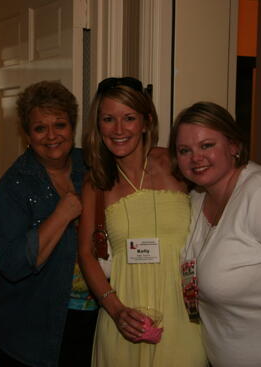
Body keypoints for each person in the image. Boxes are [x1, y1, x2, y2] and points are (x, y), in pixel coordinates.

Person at [78, 77, 207, 366]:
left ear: (146, 122)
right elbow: (86, 252)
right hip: (125, 320)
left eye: (129, 118)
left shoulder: (175, 164)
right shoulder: (96, 182)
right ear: (98, 126)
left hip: (183, 318)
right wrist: (115, 309)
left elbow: (223, 179)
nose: (119, 129)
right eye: (108, 119)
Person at [169, 101, 261, 366]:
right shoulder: (198, 198)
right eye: (184, 150)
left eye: (207, 145)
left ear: (234, 146)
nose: (195, 157)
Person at [0, 81, 98, 367]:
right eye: (39, 128)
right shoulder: (14, 187)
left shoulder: (92, 166)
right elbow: (11, 264)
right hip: (30, 329)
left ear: (72, 127)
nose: (51, 136)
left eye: (59, 125)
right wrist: (61, 214)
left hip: (92, 317)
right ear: (27, 134)